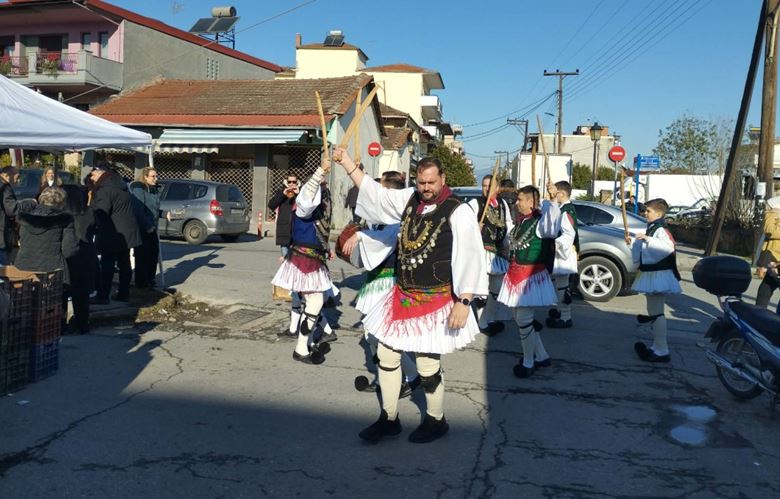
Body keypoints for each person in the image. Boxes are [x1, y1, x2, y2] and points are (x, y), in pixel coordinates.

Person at [334, 147, 487, 445]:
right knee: (386, 355)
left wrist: (464, 301)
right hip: (402, 296)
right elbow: (378, 196)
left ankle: (436, 420)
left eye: (431, 182)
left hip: (436, 298)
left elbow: (471, 256)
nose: (426, 188)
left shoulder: (459, 211)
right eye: (421, 182)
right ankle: (389, 419)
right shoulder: (409, 199)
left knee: (427, 364)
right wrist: (347, 163)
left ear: (443, 179)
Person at [341, 171, 419, 397]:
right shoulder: (382, 218)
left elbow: (384, 240)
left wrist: (361, 236)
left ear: (388, 192)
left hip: (388, 282)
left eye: (380, 189)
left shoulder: (398, 218)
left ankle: (407, 376)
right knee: (374, 336)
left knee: (380, 337)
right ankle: (400, 376)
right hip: (376, 280)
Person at [271, 161, 334, 365]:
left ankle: (308, 341)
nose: (325, 186)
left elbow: (321, 230)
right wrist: (319, 171)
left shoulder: (318, 202)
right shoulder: (304, 202)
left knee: (313, 302)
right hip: (304, 259)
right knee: (314, 302)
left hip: (312, 256)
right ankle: (301, 347)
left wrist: (327, 248)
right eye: (321, 183)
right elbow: (307, 198)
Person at [498, 185, 561, 379]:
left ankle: (528, 362)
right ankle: (541, 355)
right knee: (520, 319)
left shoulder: (540, 222)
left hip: (530, 278)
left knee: (524, 319)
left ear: (531, 202)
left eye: (520, 200)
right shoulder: (521, 222)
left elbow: (553, 225)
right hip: (515, 275)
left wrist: (553, 200)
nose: (517, 203)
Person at [15, 187, 79, 330]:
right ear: (62, 202)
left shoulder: (25, 219)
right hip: (52, 268)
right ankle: (57, 329)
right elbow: (69, 250)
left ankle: (25, 329)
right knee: (54, 306)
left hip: (24, 266)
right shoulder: (64, 220)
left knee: (24, 303)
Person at [630, 198, 682, 363]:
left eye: (648, 211)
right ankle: (657, 346)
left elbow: (667, 247)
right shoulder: (654, 227)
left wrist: (647, 239)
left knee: (657, 312)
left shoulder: (660, 229)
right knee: (654, 310)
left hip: (659, 274)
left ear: (658, 214)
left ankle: (661, 350)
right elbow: (647, 249)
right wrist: (635, 243)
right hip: (654, 273)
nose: (645, 213)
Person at [89, 164, 142, 303]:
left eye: (93, 174)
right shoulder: (122, 186)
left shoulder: (105, 189)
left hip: (113, 233)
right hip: (126, 231)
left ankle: (103, 296)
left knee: (107, 265)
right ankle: (124, 293)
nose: (91, 178)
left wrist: (91, 219)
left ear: (100, 173)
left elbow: (101, 212)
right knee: (124, 264)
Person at [467, 174, 512, 336]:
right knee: (482, 290)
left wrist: (509, 242)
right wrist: (474, 227)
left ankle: (488, 318)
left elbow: (508, 224)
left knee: (497, 288)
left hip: (498, 252)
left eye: (490, 186)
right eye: (484, 186)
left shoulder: (503, 204)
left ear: (498, 188)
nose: (486, 189)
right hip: (482, 251)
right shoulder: (475, 203)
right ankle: (483, 322)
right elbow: (464, 224)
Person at [61, 184, 98, 334]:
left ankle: (61, 325)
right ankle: (82, 324)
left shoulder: (63, 216)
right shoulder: (89, 212)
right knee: (82, 294)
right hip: (86, 254)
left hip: (68, 255)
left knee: (63, 292)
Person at [130, 167, 171, 289]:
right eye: (153, 176)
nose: (156, 178)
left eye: (156, 176)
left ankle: (150, 280)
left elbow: (154, 210)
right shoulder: (139, 190)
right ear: (145, 177)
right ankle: (142, 284)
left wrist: (165, 214)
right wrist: (147, 226)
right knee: (143, 256)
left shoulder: (153, 190)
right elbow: (139, 210)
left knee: (153, 255)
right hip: (143, 229)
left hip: (152, 227)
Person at [546, 180, 579, 329]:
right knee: (559, 285)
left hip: (563, 253)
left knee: (562, 287)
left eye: (555, 192)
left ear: (562, 193)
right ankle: (560, 311)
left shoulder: (566, 211)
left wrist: (556, 244)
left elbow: (569, 234)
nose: (552, 195)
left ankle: (566, 317)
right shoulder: (563, 209)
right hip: (560, 252)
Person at [0, 166, 36, 265]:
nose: (18, 180)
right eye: (17, 176)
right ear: (7, 175)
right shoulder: (4, 187)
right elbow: (12, 209)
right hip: (2, 236)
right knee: (3, 268)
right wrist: (31, 203)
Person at [756, 196, 780, 311]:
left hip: (776, 256)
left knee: (767, 287)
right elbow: (769, 231)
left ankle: (759, 314)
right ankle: (758, 314)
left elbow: (770, 230)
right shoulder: (773, 213)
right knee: (766, 287)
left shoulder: (774, 213)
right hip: (774, 256)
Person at [268, 173, 299, 257]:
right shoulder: (281, 192)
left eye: (294, 182)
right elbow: (271, 205)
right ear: (286, 182)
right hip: (284, 229)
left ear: (297, 182)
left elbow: (306, 206)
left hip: (297, 230)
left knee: (296, 260)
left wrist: (298, 194)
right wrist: (283, 194)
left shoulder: (301, 193)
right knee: (285, 259)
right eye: (289, 182)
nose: (291, 184)